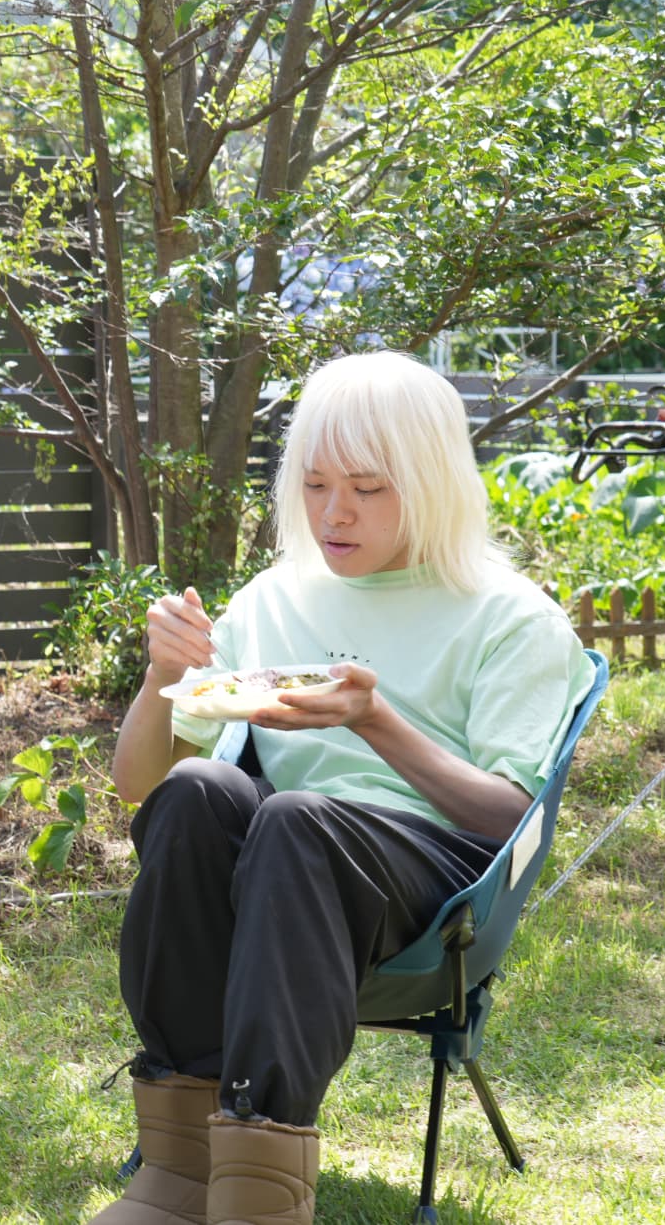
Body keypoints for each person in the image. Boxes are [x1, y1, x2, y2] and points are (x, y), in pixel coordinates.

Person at [90, 351, 594, 1225]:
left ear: (432, 482)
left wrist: (374, 720)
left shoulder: (508, 616)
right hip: (282, 875)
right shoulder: (273, 598)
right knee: (199, 791)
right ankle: (177, 1168)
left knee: (296, 818)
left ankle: (260, 1187)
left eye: (366, 487)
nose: (333, 512)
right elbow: (139, 784)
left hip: (437, 887)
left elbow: (513, 819)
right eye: (316, 483)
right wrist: (157, 676)